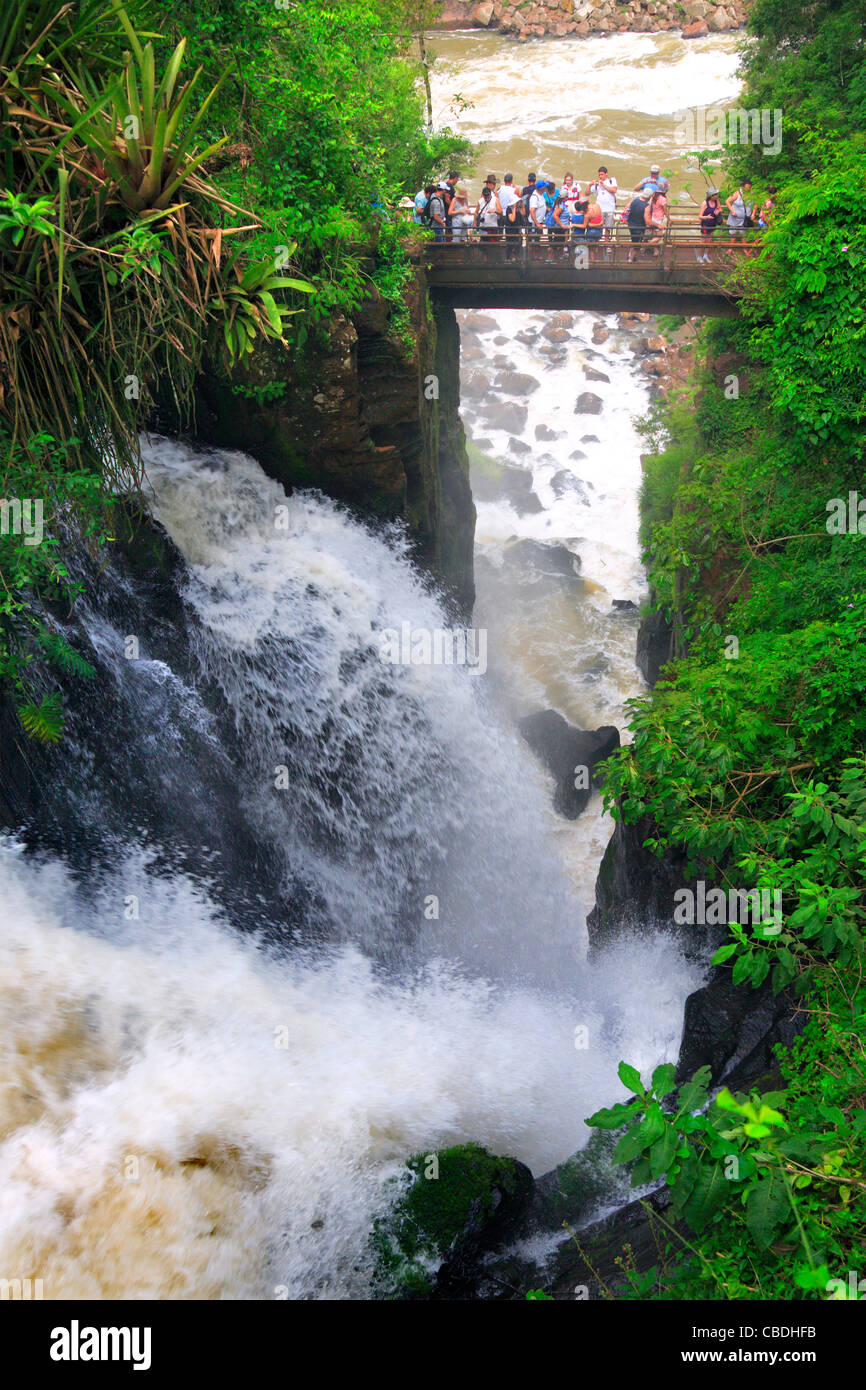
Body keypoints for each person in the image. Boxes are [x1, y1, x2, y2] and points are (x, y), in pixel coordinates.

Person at [588, 166, 618, 241]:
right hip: (599, 209)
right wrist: (590, 185)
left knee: (608, 227)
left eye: (602, 174)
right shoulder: (597, 184)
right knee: (598, 226)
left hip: (609, 208)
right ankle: (597, 242)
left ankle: (606, 243)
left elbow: (614, 190)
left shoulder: (612, 180)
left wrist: (603, 185)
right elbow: (587, 193)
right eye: (599, 175)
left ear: (606, 174)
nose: (600, 176)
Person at [697, 187, 722, 261]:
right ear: (711, 196)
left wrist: (718, 211)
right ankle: (699, 256)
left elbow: (720, 209)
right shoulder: (705, 203)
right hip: (705, 224)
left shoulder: (717, 201)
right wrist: (706, 217)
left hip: (713, 224)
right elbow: (699, 216)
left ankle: (706, 255)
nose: (717, 196)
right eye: (716, 194)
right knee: (703, 241)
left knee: (709, 240)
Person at [725, 180, 753, 244]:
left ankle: (744, 249)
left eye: (749, 188)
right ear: (743, 187)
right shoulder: (736, 193)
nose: (748, 189)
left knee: (743, 235)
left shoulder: (751, 194)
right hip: (735, 218)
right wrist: (732, 211)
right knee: (733, 234)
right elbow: (727, 201)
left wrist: (753, 213)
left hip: (744, 219)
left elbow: (755, 203)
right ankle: (731, 249)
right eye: (746, 188)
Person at [626, 189, 651, 261]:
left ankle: (630, 255)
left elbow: (627, 207)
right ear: (649, 197)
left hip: (631, 224)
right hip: (639, 228)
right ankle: (631, 259)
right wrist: (657, 225)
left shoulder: (635, 200)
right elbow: (647, 221)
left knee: (633, 240)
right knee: (637, 245)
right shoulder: (646, 206)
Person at [644, 188, 668, 255]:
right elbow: (665, 211)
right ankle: (645, 245)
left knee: (655, 236)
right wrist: (669, 219)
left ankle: (655, 251)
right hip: (659, 219)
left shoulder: (654, 196)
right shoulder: (663, 199)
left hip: (653, 218)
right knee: (659, 236)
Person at [528, 179, 548, 244]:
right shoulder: (534, 197)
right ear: (542, 188)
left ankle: (535, 253)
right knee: (533, 241)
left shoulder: (541, 195)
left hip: (539, 222)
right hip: (534, 224)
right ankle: (532, 254)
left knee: (537, 240)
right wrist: (537, 223)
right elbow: (532, 211)